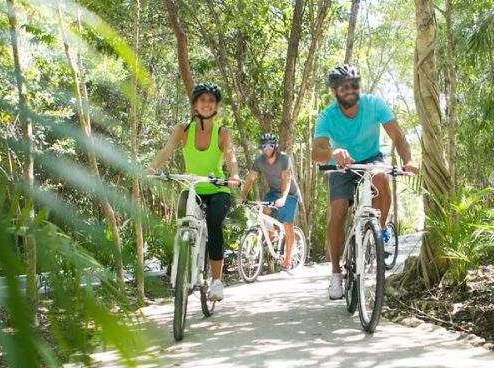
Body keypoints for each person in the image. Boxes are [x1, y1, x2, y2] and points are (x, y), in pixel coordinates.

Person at [310, 64, 417, 300]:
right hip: (341, 163)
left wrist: (408, 160)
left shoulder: (374, 104)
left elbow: (397, 136)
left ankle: (378, 233)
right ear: (334, 91)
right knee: (338, 211)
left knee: (381, 176)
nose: (349, 90)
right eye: (342, 87)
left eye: (353, 85)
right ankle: (336, 273)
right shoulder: (328, 115)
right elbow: (315, 151)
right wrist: (332, 152)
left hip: (371, 158)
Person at [146, 82, 241, 301]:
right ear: (195, 104)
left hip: (217, 190)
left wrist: (234, 176)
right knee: (182, 222)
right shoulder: (183, 130)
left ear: (216, 106)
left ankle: (216, 281)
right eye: (202, 100)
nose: (207, 104)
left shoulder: (223, 132)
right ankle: (183, 267)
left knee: (214, 224)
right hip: (191, 188)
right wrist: (151, 168)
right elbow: (166, 151)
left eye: (211, 101)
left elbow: (231, 157)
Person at [239, 132, 301, 270]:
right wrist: (243, 196)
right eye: (264, 145)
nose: (267, 148)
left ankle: (288, 259)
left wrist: (284, 198)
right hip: (273, 192)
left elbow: (287, 179)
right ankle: (272, 234)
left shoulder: (284, 158)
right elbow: (250, 178)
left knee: (287, 224)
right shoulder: (259, 161)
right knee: (264, 211)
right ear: (261, 147)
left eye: (270, 145)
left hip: (290, 193)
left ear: (275, 146)